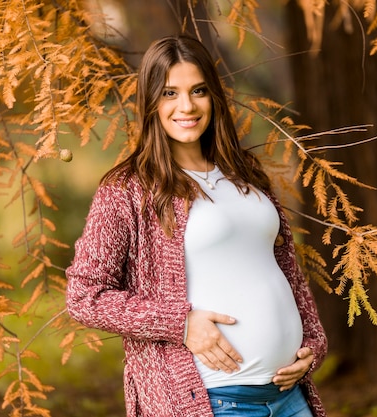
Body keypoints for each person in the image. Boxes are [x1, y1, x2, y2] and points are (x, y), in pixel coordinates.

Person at [65, 34, 328, 417]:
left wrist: (313, 344)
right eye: (170, 93)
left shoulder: (245, 174)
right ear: (151, 102)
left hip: (290, 397)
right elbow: (84, 296)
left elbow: (286, 271)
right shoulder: (127, 190)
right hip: (215, 401)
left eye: (198, 91)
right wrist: (181, 323)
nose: (186, 106)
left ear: (214, 97)